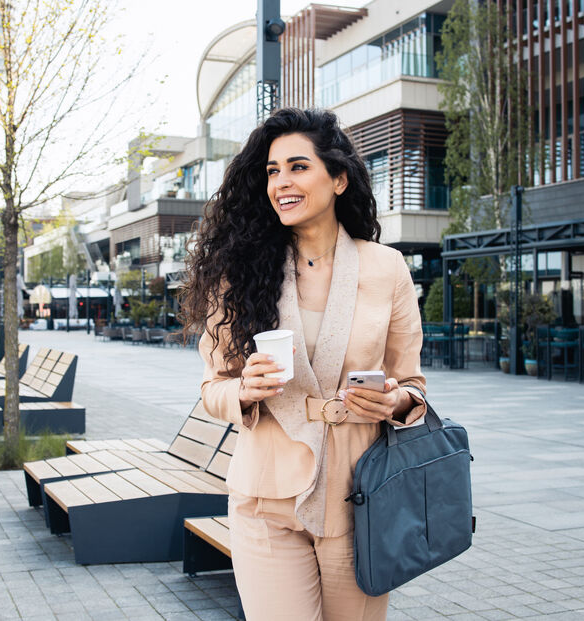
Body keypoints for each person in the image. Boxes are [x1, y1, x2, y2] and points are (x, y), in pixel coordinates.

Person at [181, 108, 427, 621]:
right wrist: (243, 390)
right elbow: (213, 389)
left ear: (338, 178)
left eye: (297, 167)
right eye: (272, 171)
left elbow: (413, 386)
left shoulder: (386, 268)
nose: (281, 182)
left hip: (359, 497)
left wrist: (395, 399)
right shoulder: (240, 271)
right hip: (263, 497)